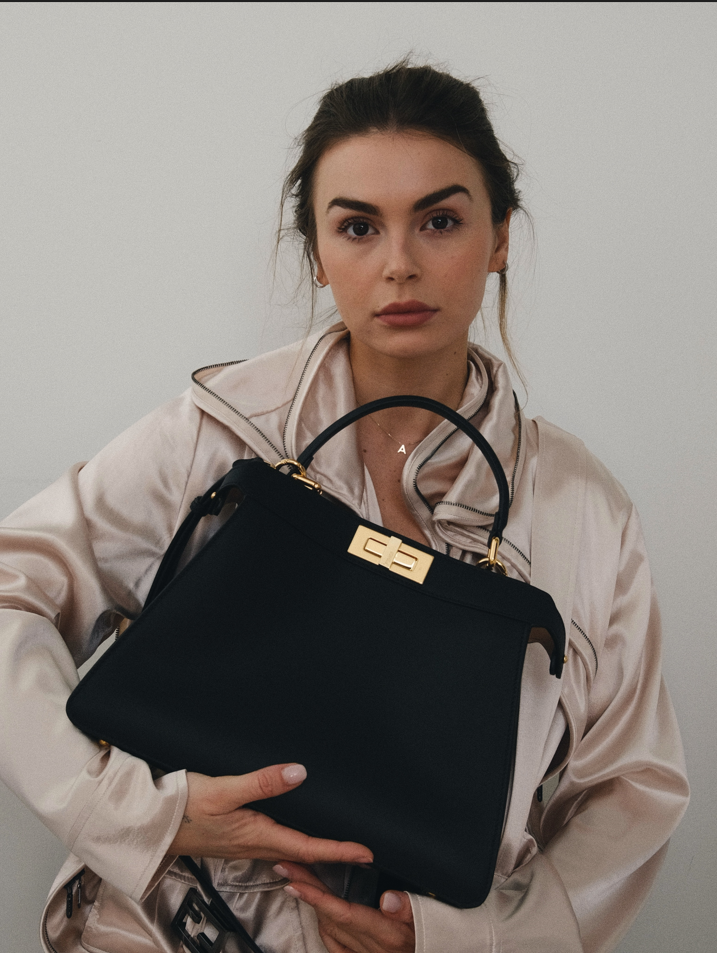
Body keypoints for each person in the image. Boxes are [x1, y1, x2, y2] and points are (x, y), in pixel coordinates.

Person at [0, 61, 689, 953]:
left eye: (439, 220)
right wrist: (136, 813)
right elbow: (12, 585)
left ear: (499, 238)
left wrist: (459, 940)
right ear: (318, 254)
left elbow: (630, 789)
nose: (399, 263)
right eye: (358, 226)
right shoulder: (216, 435)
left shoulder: (581, 509)